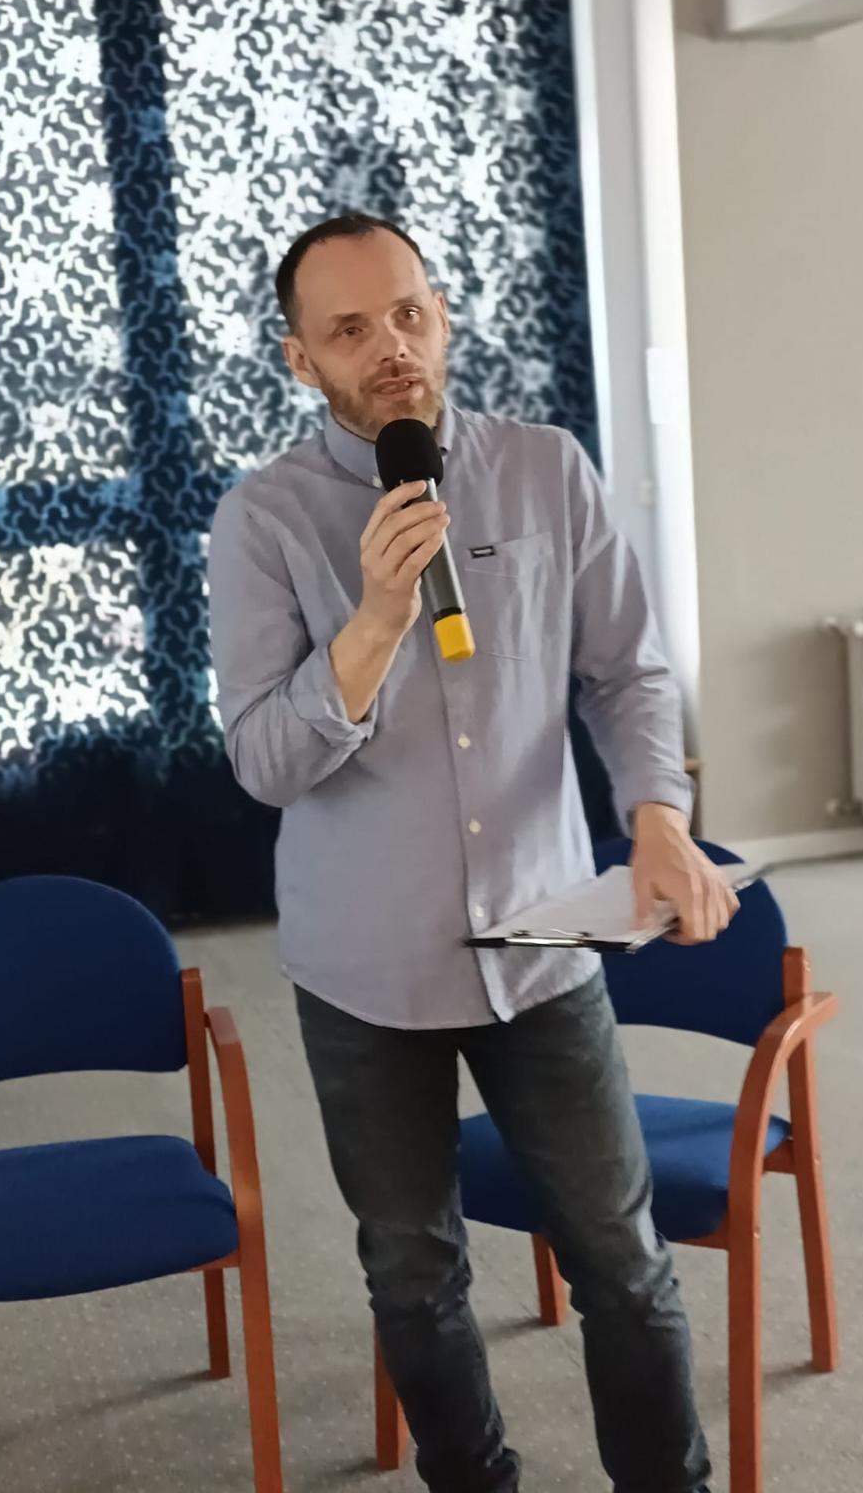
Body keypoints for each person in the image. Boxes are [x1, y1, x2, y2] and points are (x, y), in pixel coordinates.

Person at [207, 212, 738, 1493]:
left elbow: (627, 672)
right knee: (412, 1269)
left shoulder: (547, 468)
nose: (390, 345)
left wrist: (658, 811)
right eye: (350, 329)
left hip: (545, 938)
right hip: (367, 967)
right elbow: (264, 761)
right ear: (300, 360)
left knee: (621, 1255)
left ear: (441, 314)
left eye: (408, 312)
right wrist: (376, 619)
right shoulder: (264, 519)